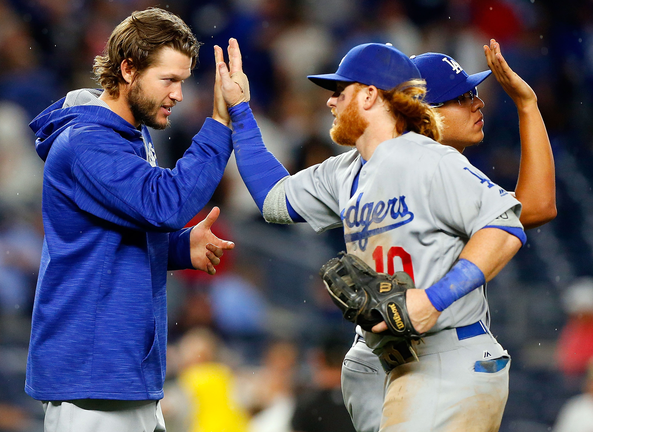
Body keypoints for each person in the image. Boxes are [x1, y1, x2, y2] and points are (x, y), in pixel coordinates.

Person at [215, 38, 526, 432]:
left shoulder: (429, 157)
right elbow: (274, 199)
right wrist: (241, 110)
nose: (331, 102)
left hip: (447, 356)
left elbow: (504, 224)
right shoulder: (343, 171)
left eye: (338, 92)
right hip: (388, 361)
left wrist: (433, 299)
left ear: (367, 96)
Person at [24, 7, 236, 431]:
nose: (178, 94)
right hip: (95, 375)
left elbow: (111, 236)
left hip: (116, 374)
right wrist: (219, 123)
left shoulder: (126, 136)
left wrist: (178, 246)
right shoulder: (89, 142)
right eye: (169, 80)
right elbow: (165, 205)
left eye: (183, 81)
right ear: (128, 69)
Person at [340, 40, 558, 432]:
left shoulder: (436, 171)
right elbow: (530, 213)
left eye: (474, 93)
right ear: (426, 112)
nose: (478, 103)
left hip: (400, 351)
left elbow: (537, 207)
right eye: (462, 97)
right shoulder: (413, 170)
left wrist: (527, 106)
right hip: (402, 354)